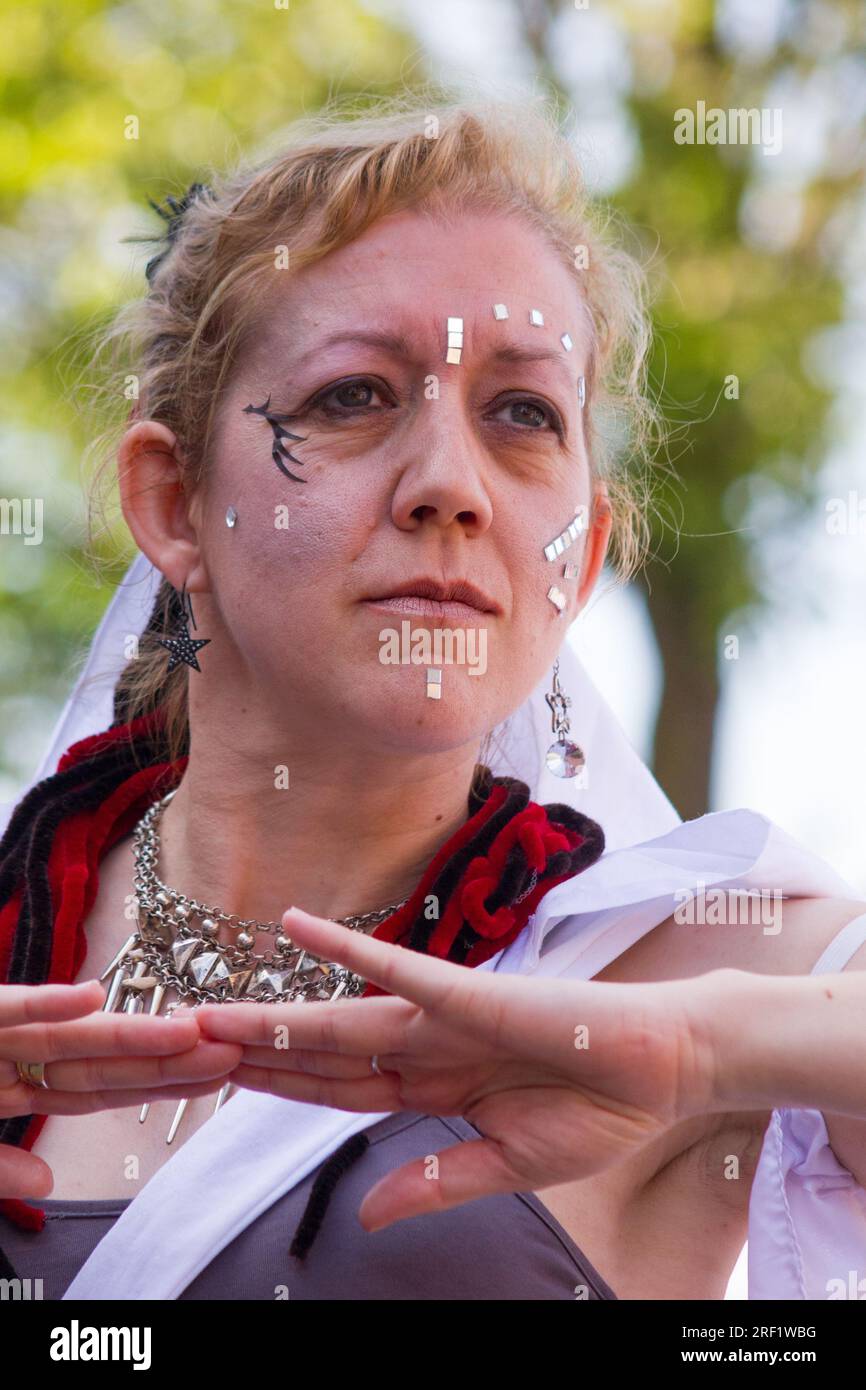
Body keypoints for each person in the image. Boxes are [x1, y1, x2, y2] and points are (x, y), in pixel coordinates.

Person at [1, 92, 865, 1302]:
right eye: (353, 394)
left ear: (582, 551)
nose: (449, 485)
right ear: (171, 500)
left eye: (520, 414)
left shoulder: (677, 959)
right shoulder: (19, 916)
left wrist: (698, 1047)